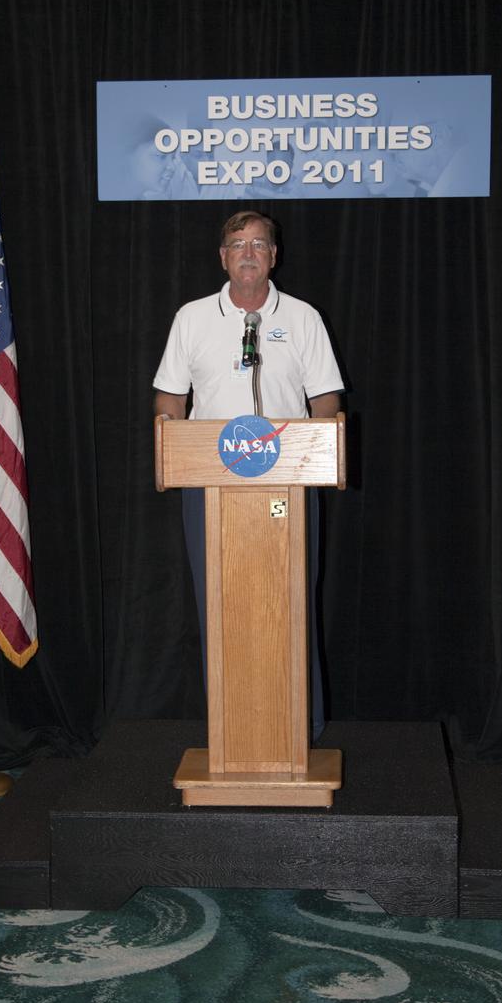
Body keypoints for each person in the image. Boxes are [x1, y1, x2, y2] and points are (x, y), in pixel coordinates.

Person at [153, 210, 344, 736]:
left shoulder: (303, 317)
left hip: (290, 481)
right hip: (210, 487)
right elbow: (170, 397)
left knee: (290, 601)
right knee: (218, 602)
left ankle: (300, 726)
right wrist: (171, 439)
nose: (248, 253)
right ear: (223, 256)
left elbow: (325, 397)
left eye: (259, 244)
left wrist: (315, 447)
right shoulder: (192, 317)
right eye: (238, 244)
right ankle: (231, 727)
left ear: (274, 256)